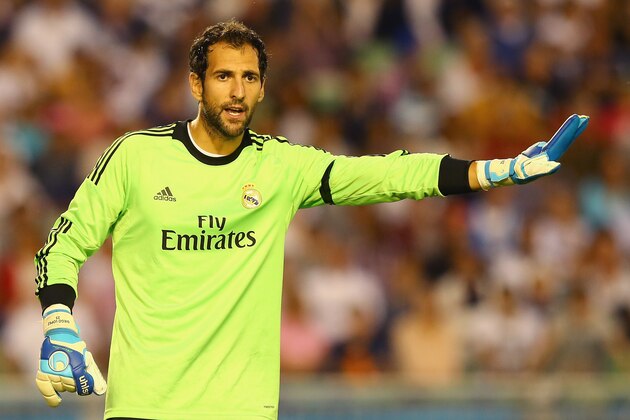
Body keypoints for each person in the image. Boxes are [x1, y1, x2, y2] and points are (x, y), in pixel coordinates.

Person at [33, 19, 589, 420]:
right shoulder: (136, 156)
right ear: (197, 85)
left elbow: (386, 175)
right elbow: (64, 242)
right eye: (224, 76)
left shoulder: (281, 166)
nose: (238, 90)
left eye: (250, 77)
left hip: (244, 411)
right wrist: (59, 318)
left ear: (262, 88)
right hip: (146, 410)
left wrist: (493, 171)